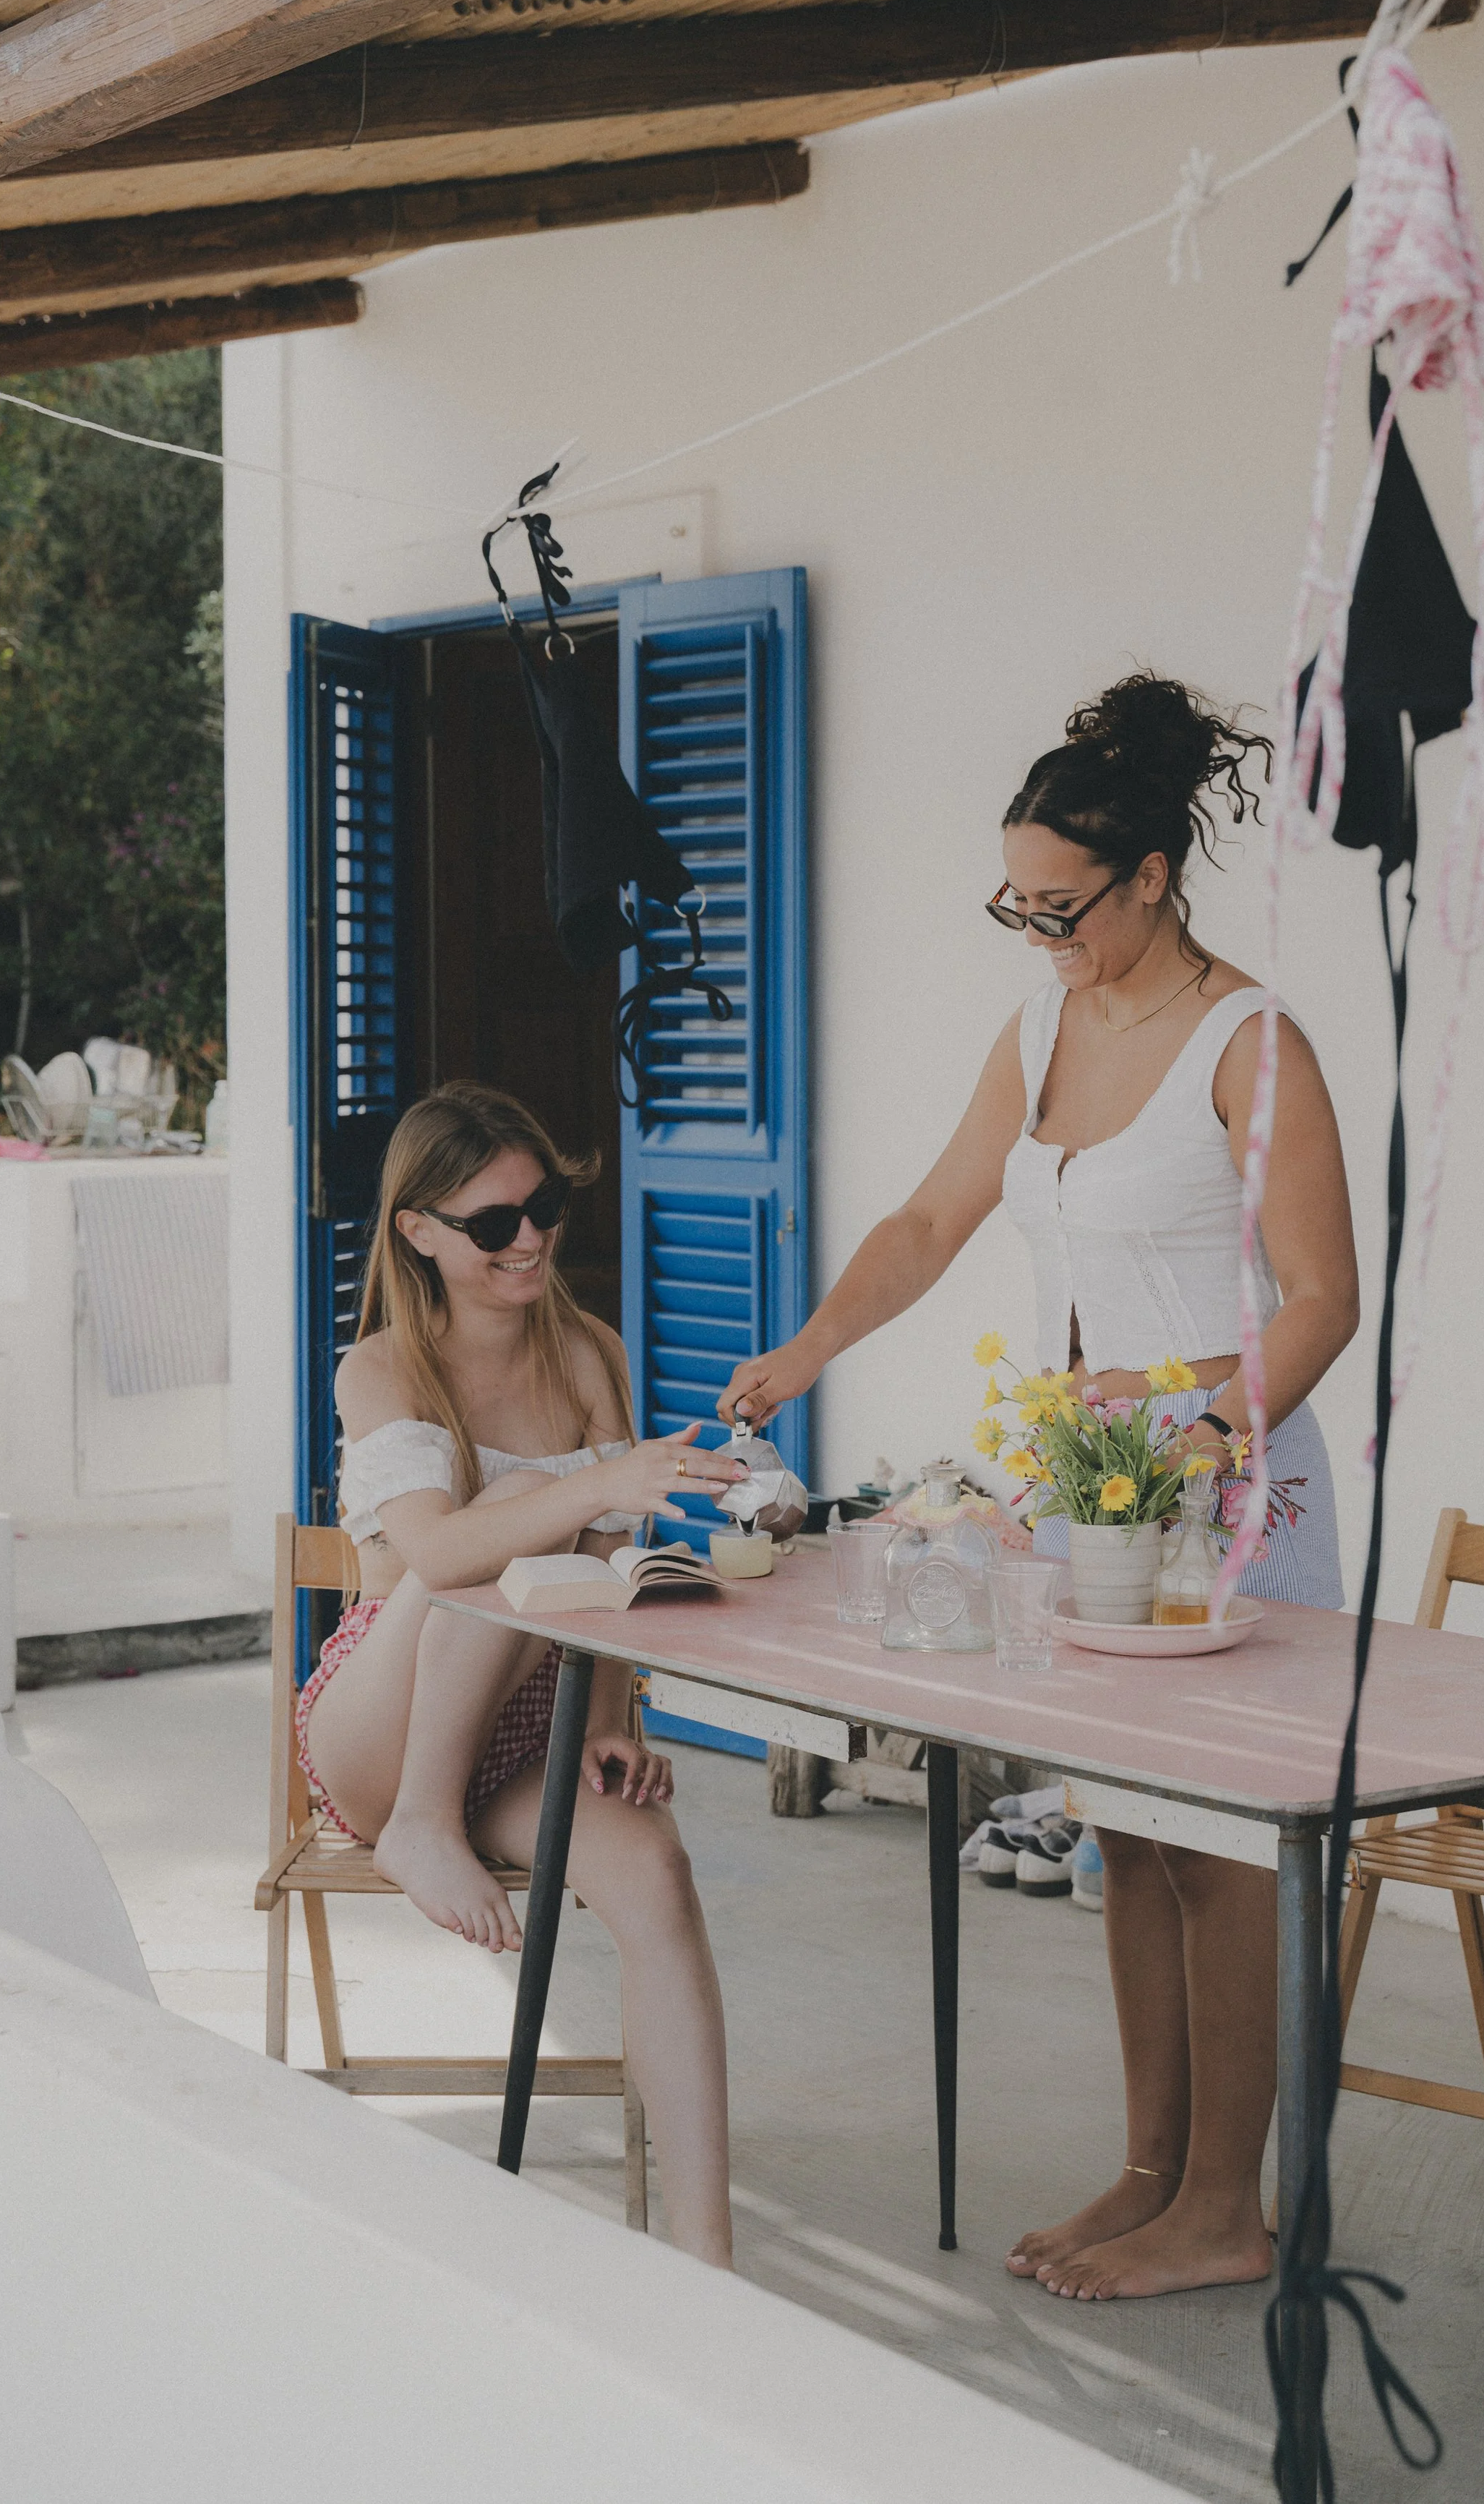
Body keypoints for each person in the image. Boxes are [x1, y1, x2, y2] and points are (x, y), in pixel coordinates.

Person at [719, 674, 1359, 2303]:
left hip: (1224, 1489)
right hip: (1086, 1492)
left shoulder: (1249, 1041)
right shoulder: (1040, 1025)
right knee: (1125, 1838)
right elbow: (932, 1222)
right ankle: (1151, 2174)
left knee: (1219, 1849)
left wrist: (1191, 1440)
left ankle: (1227, 2205)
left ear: (1151, 874)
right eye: (1016, 904)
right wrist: (803, 1351)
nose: (1039, 935)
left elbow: (1317, 1298)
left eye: (1062, 906)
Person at [300, 1081, 745, 2268]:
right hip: (383, 1730)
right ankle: (422, 1826)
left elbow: (613, 1563)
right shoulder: (383, 1369)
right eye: (493, 1224)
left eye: (542, 1206)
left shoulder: (587, 1350)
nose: (532, 1238)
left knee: (656, 1868)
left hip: (528, 1715)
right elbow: (442, 1556)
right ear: (421, 1233)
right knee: (502, 1511)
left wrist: (609, 1714)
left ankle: (709, 2263)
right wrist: (600, 1481)